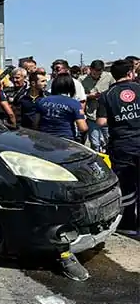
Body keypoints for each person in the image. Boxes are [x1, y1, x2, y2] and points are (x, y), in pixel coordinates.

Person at [96, 59, 140, 235]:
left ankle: (128, 224)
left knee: (127, 186)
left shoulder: (107, 95)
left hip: (122, 146)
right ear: (130, 73)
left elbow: (101, 122)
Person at [35, 73, 88, 140]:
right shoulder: (74, 103)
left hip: (44, 138)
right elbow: (83, 127)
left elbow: (36, 123)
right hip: (65, 140)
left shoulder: (42, 101)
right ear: (70, 86)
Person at [81, 60, 114, 153]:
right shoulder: (82, 80)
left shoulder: (109, 77)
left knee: (109, 139)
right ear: (90, 70)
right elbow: (79, 96)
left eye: (99, 73)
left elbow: (114, 91)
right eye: (94, 73)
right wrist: (89, 96)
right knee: (95, 143)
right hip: (92, 115)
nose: (97, 75)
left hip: (106, 115)